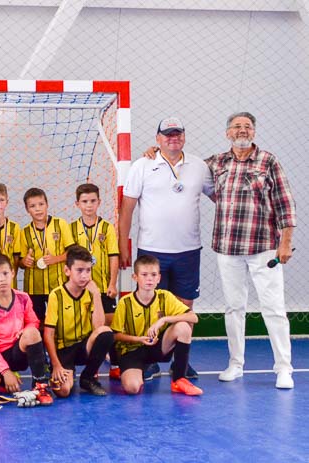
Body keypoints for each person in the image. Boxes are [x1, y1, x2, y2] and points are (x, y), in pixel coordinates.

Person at [207, 112, 296, 389]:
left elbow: (285, 203)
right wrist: (154, 151)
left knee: (273, 308)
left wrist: (284, 242)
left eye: (247, 126)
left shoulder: (268, 161)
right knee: (234, 307)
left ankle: (284, 368)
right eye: (236, 126)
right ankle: (236, 365)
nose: (242, 130)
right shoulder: (217, 162)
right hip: (228, 247)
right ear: (227, 133)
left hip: (264, 248)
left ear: (254, 133)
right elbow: (185, 167)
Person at [119, 117, 213, 380]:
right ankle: (150, 360)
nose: (173, 138)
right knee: (152, 307)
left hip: (188, 250)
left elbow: (219, 196)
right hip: (152, 251)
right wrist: (121, 243)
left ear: (184, 136)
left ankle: (179, 361)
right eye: (167, 134)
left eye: (178, 133)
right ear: (158, 138)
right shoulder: (143, 164)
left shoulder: (199, 166)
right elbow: (127, 207)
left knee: (183, 307)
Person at [111, 255, 203, 396]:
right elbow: (115, 335)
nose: (149, 279)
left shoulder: (164, 297)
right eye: (144, 275)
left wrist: (164, 320)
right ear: (135, 277)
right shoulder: (125, 302)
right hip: (132, 351)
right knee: (132, 389)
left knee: (183, 326)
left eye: (153, 275)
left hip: (158, 347)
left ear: (159, 278)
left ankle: (179, 380)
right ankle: (134, 372)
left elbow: (193, 317)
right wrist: (139, 339)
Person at [0, 254, 53, 405]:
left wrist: (26, 330)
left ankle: (40, 385)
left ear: (13, 273)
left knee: (32, 333)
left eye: (5, 273)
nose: (2, 279)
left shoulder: (23, 298)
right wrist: (6, 372)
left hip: (18, 353)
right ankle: (3, 382)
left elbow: (34, 322)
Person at [44, 246, 114, 397]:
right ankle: (66, 372)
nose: (85, 276)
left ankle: (88, 378)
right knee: (62, 391)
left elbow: (99, 327)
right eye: (79, 270)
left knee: (106, 333)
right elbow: (48, 334)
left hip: (84, 346)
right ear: (67, 271)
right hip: (64, 351)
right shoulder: (56, 295)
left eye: (88, 270)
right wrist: (56, 365)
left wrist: (96, 294)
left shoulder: (91, 292)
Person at [71, 183, 120, 379]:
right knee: (86, 326)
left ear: (99, 202)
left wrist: (112, 283)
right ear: (77, 204)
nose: (89, 205)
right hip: (81, 288)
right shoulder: (72, 228)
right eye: (84, 201)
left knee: (110, 325)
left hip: (102, 287)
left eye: (92, 201)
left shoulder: (107, 227)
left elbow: (113, 256)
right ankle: (94, 366)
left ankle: (115, 364)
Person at [18, 187, 75, 323]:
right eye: (32, 206)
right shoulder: (24, 232)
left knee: (58, 321)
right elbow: (20, 262)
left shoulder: (60, 224)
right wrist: (24, 262)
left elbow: (72, 253)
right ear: (27, 209)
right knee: (37, 322)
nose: (38, 209)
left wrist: (56, 259)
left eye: (41, 204)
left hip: (58, 284)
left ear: (47, 204)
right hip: (33, 288)